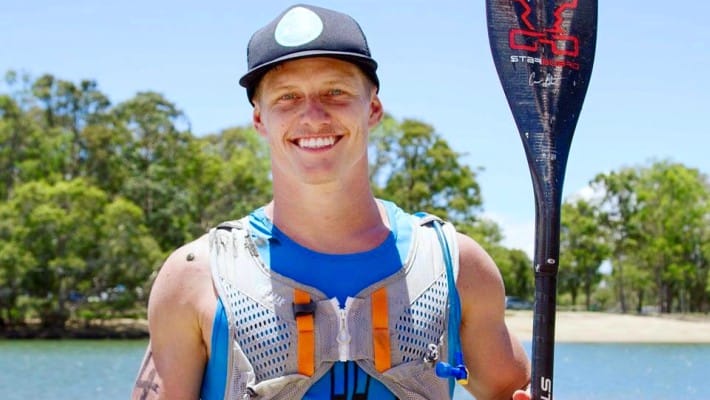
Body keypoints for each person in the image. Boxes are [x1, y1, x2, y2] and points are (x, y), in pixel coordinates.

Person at [132, 4, 531, 400]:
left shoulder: (455, 264)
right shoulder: (196, 277)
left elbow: (508, 390)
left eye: (335, 92)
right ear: (259, 120)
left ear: (372, 108)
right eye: (287, 97)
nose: (313, 115)